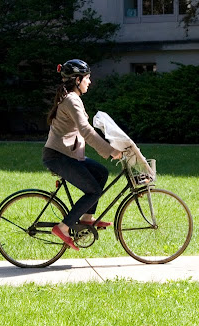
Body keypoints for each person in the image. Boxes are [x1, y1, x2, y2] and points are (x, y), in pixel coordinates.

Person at [42, 59, 122, 251]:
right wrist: (111, 151)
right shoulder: (71, 99)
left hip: (66, 155)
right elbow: (86, 130)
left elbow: (85, 130)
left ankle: (87, 219)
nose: (89, 82)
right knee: (93, 191)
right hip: (58, 156)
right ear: (77, 80)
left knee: (101, 172)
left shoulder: (71, 98)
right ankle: (63, 227)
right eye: (87, 78)